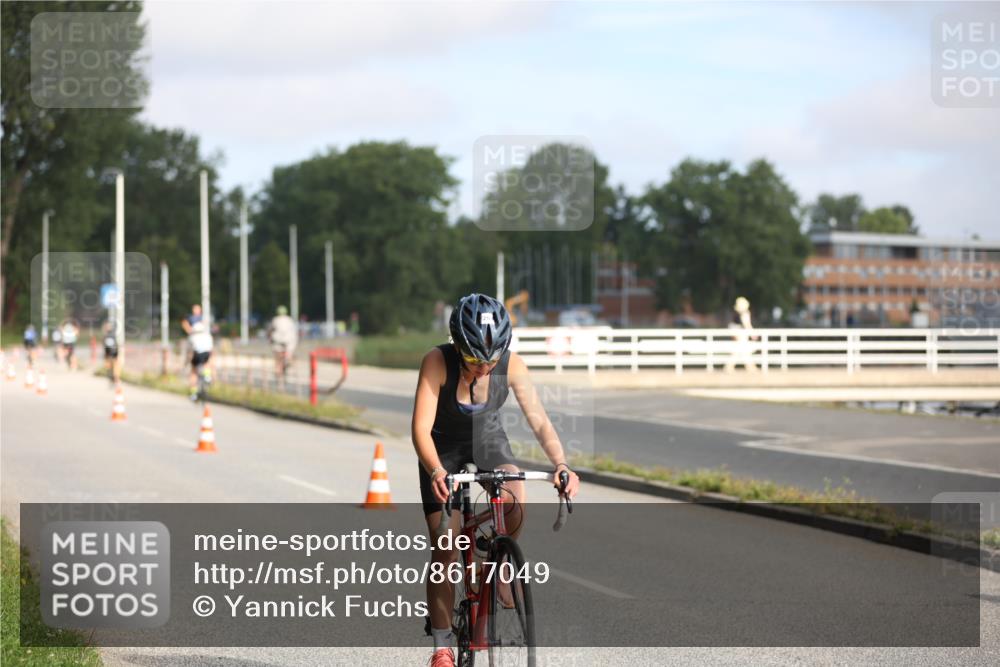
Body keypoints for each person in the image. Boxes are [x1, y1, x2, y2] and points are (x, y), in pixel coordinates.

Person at [411, 293, 580, 667]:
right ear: (457, 347)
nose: (484, 367)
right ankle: (441, 646)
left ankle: (499, 563)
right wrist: (436, 470)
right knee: (446, 546)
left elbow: (538, 419)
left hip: (488, 441)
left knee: (515, 499)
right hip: (443, 449)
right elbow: (420, 429)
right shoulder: (437, 362)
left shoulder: (512, 365)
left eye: (491, 359)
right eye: (473, 360)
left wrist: (561, 463)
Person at [181, 304, 213, 401]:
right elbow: (211, 350)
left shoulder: (192, 336)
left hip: (196, 352)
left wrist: (186, 362)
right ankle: (207, 376)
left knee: (193, 372)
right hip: (206, 352)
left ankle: (193, 393)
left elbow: (189, 351)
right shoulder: (207, 334)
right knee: (207, 361)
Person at [724, 296, 757, 373]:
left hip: (736, 332)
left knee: (739, 350)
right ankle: (750, 367)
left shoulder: (736, 313)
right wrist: (752, 334)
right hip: (740, 333)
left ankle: (730, 366)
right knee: (743, 349)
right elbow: (747, 324)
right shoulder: (745, 313)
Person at [267, 305, 297, 383]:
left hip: (278, 341)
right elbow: (294, 332)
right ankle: (288, 360)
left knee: (278, 358)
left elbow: (270, 330)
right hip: (289, 342)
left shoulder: (275, 320)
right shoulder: (290, 320)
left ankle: (278, 371)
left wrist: (269, 338)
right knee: (289, 353)